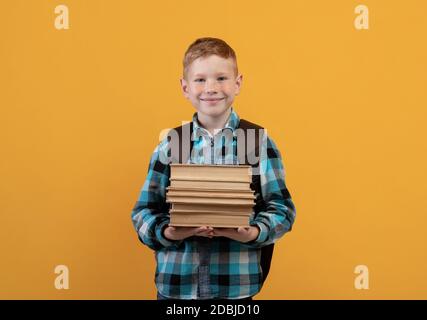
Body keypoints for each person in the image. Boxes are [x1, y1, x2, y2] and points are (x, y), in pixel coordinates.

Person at [131, 37, 296, 300]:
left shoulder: (257, 142)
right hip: (177, 287)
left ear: (238, 83)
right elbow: (143, 211)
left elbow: (283, 210)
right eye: (200, 80)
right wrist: (167, 232)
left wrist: (253, 232)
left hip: (236, 287)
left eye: (221, 78)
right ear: (185, 87)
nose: (211, 88)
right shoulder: (171, 144)